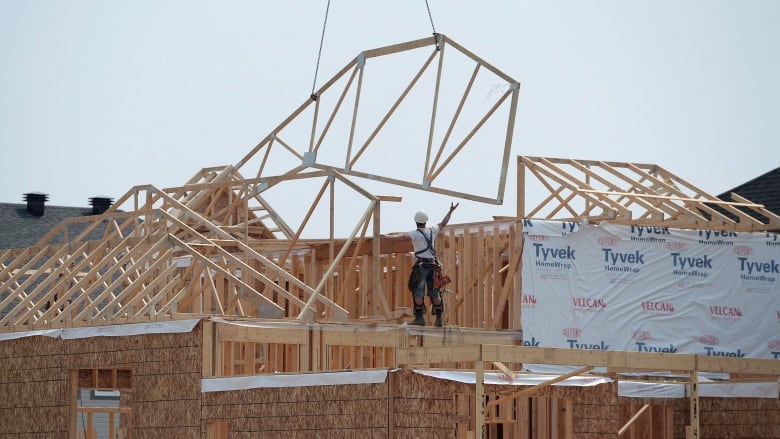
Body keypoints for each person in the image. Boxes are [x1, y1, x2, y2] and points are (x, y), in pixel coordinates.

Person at [407, 202, 458, 326]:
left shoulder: (414, 234)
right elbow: (443, 223)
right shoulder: (432, 231)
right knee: (435, 293)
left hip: (421, 266)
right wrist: (450, 211)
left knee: (417, 291)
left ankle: (419, 318)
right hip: (434, 267)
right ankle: (439, 319)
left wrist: (383, 237)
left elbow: (399, 237)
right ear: (426, 221)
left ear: (415, 221)